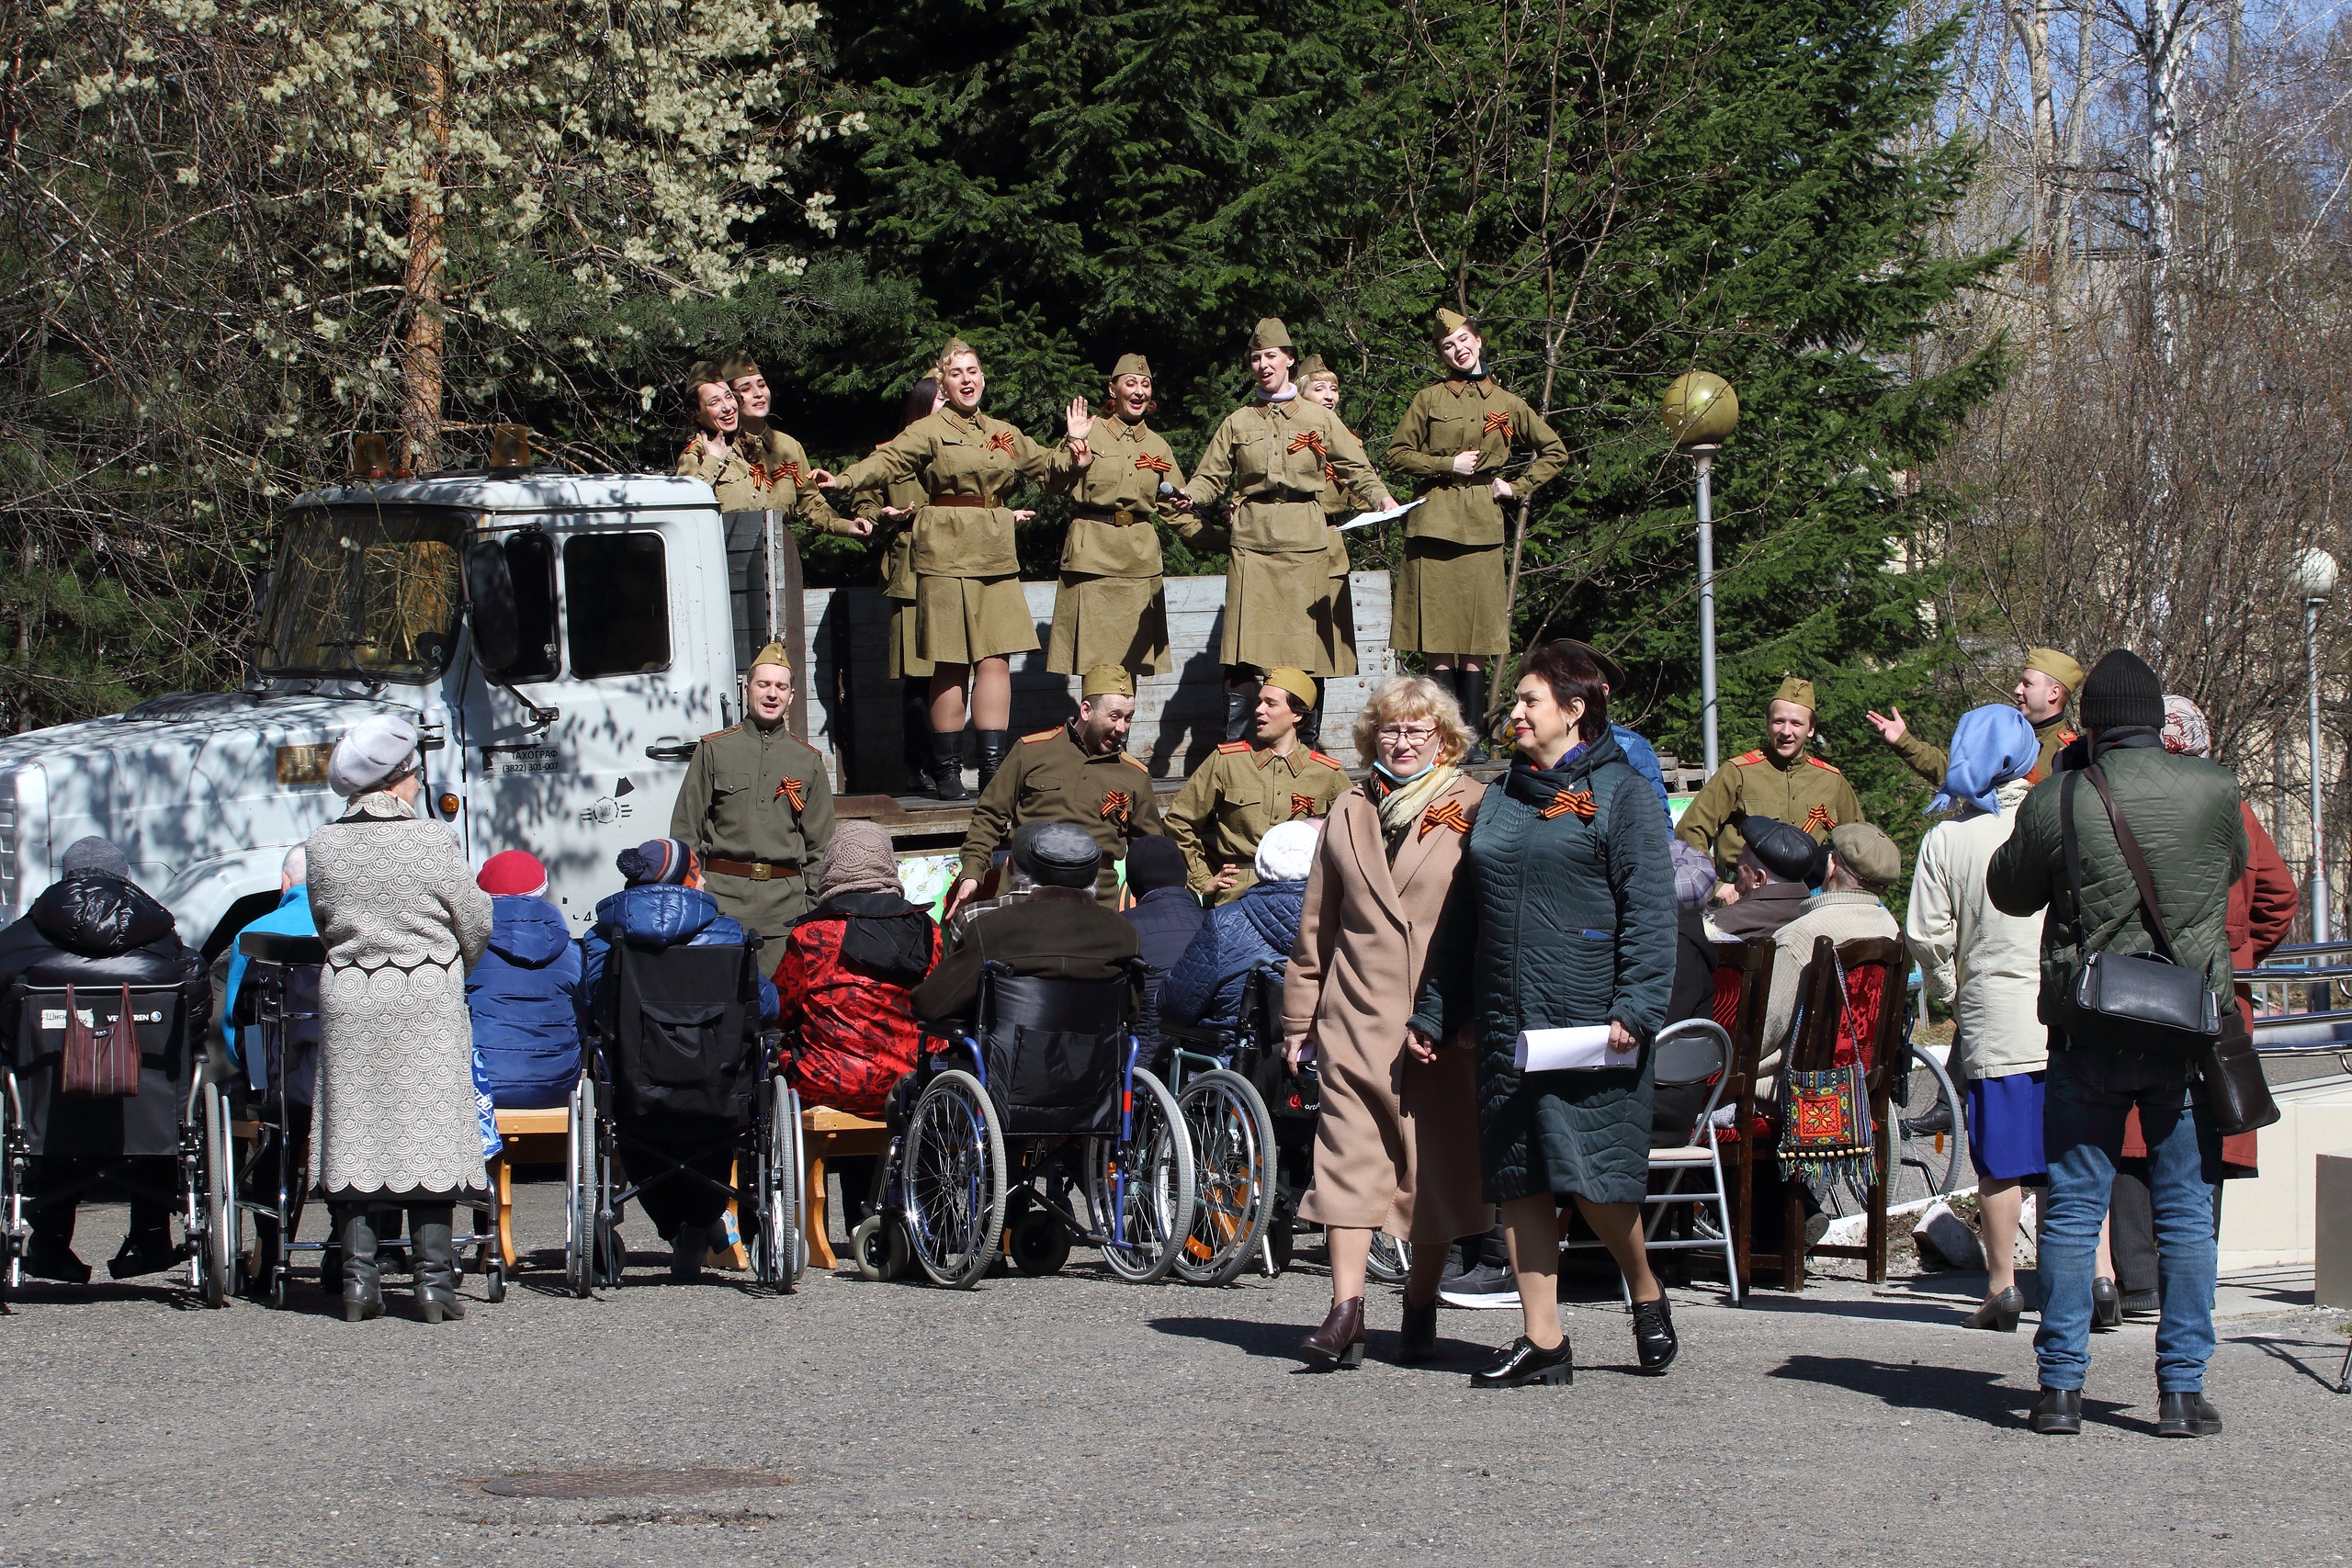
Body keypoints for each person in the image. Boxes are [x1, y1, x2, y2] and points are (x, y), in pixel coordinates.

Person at [1986, 649, 2247, 1439]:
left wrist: (2063, 790)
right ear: (2154, 718)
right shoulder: (2215, 787)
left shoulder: (2063, 792)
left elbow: (2010, 888)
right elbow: (2230, 872)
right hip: (2184, 1032)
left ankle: (2059, 1390)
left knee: (2072, 1207)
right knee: (2185, 1213)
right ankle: (2179, 1393)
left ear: (2089, 721)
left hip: (2087, 1026)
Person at [1411, 642, 1679, 1387]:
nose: (1516, 713)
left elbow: (1650, 911)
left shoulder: (1622, 794)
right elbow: (1462, 919)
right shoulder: (1499, 796)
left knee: (1593, 1180)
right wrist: (1435, 1010)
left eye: (1530, 701)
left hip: (1593, 1019)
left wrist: (1638, 1004)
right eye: (1518, 701)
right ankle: (1544, 1339)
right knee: (1521, 1174)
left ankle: (1644, 1287)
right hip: (1507, 1018)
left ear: (1575, 710)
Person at [1283, 674, 1492, 1364]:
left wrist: (1465, 1013)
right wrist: (1298, 1016)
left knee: (1428, 1168)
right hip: (1353, 1014)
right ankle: (1346, 1311)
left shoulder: (1473, 803)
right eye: (1390, 730)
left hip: (1438, 1025)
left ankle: (1421, 1301)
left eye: (1416, 730)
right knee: (1347, 1159)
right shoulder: (1348, 807)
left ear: (1445, 739)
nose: (1401, 742)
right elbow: (1318, 921)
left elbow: (1487, 920)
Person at [824, 336, 1089, 798]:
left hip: (994, 548)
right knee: (948, 663)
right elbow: (887, 460)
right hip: (943, 548)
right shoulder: (930, 429)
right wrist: (844, 479)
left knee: (995, 660)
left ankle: (991, 772)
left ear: (983, 376)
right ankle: (947, 772)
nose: (968, 380)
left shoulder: (1000, 431)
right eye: (957, 373)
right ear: (943, 384)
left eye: (974, 371)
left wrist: (1075, 448)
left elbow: (1048, 469)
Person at [2104, 696, 2296, 1321]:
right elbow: (2279, 894)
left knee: (2134, 1129)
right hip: (2215, 989)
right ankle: (2192, 1282)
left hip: (2139, 985)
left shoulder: (2128, 799)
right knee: (2206, 1123)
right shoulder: (2229, 804)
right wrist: (2242, 952)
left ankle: (2137, 1281)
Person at [304, 715, 493, 1323]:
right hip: (424, 1000)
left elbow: (323, 921)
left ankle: (359, 1286)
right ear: (400, 778)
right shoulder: (435, 841)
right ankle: (434, 1289)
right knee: (428, 1137)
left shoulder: (323, 845)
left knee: (359, 1135)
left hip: (352, 1000)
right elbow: (476, 920)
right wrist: (442, 966)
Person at [1904, 705, 2059, 1332]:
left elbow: (1926, 935)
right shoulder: (2056, 820)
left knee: (2002, 1163)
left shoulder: (1948, 837)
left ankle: (2002, 1287)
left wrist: (1951, 988)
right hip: (2067, 1011)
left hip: (1995, 1015)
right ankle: (2095, 1277)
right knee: (2072, 1158)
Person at [0, 837, 209, 1284]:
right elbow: (194, 1009)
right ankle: (151, 1236)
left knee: (49, 1075)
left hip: (49, 1106)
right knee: (161, 1073)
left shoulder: (20, 938)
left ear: (65, 876)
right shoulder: (164, 939)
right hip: (144, 1105)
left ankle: (50, 1245)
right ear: (126, 877)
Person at [1178, 318, 1394, 740]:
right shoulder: (1237, 421)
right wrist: (1190, 494)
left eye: (1271, 356)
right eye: (1255, 358)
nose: (1263, 364)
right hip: (1253, 544)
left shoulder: (1319, 418)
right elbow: (1209, 477)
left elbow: (1356, 467)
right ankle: (1238, 748)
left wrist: (1380, 497)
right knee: (1244, 653)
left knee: (1307, 652)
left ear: (1289, 360)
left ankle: (1305, 750)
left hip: (1307, 543)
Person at [580, 838, 781, 1281]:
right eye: (698, 872)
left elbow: (594, 1006)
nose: (705, 879)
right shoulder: (729, 935)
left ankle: (680, 1228)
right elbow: (765, 1007)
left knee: (641, 1130)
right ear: (685, 880)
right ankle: (703, 1221)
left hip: (637, 1094)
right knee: (707, 1124)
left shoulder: (604, 938)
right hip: (718, 1090)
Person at [1382, 309, 1568, 761]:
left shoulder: (1507, 403)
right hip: (1434, 526)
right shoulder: (1428, 399)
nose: (1458, 349)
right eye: (1448, 345)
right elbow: (1396, 454)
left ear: (1479, 342)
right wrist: (1447, 464)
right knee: (1439, 643)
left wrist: (1515, 486)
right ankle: (1442, 739)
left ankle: (1473, 741)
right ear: (1441, 355)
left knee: (1477, 643)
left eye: (1464, 340)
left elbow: (1554, 451)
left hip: (1483, 528)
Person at [774, 821, 937, 1231]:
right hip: (910, 1084)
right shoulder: (928, 932)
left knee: (801, 1059)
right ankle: (884, 1215)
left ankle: (847, 1220)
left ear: (833, 868)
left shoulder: (813, 936)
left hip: (829, 1083)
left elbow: (779, 1011)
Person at [945, 665, 1166, 918]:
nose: (1122, 728)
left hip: (1096, 909)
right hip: (1026, 899)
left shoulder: (1134, 774)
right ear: (1086, 710)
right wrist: (972, 874)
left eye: (1128, 718)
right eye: (1114, 716)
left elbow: (1150, 850)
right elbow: (989, 816)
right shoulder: (1032, 750)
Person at [669, 640, 837, 969]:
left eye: (781, 687)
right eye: (764, 684)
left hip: (784, 912)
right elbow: (686, 830)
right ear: (747, 689)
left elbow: (822, 848)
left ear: (790, 696)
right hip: (720, 905)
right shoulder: (714, 750)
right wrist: (694, 896)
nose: (772, 694)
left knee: (775, 1012)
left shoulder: (808, 761)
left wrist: (812, 909)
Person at [1045, 353, 1208, 679]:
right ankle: (1094, 731)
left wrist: (1228, 541)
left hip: (1138, 563)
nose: (1138, 391)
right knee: (1095, 669)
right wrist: (1074, 446)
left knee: (1127, 670)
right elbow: (1052, 482)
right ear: (1113, 389)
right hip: (1091, 558)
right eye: (1130, 383)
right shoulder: (1088, 431)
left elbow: (1176, 509)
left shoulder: (1159, 447)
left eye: (1145, 384)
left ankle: (1121, 732)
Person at [913, 822, 1143, 1022]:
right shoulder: (1124, 932)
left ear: (1030, 871)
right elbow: (1131, 1012)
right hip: (1096, 1065)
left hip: (1005, 1064)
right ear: (1095, 876)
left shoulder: (990, 928)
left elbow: (930, 1005)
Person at [1161, 666, 1349, 906]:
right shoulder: (1228, 761)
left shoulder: (1327, 773)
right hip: (1237, 898)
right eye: (1259, 702)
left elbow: (1357, 834)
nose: (1258, 710)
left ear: (1297, 714)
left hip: (1304, 897)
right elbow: (1179, 821)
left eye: (1271, 704)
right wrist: (1201, 878)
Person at [844, 377, 944, 792]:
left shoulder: (970, 446)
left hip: (958, 571)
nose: (950, 400)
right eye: (940, 396)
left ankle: (949, 765)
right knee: (920, 678)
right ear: (923, 403)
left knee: (953, 675)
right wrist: (884, 514)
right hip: (912, 577)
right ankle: (920, 767)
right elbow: (862, 505)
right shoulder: (888, 454)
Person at [1674, 676, 1865, 875]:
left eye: (1796, 724)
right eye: (1778, 721)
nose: (1786, 731)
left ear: (1812, 728)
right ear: (1767, 724)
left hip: (1809, 898)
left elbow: (1861, 844)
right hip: (1747, 893)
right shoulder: (1739, 772)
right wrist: (1715, 886)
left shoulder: (1831, 781)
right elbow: (1690, 830)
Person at [1755, 823, 1903, 1066]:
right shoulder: (1889, 928)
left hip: (1796, 1090)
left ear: (1831, 865)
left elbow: (1762, 1034)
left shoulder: (1801, 935)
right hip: (1862, 1083)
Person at [1161, 820, 1318, 1033]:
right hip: (1322, 1059)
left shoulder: (1224, 924)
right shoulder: (1347, 922)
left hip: (1235, 1058)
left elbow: (1173, 1006)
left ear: (1261, 863)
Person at [465, 850, 583, 1111]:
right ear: (541, 891)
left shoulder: (468, 948)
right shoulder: (570, 950)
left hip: (483, 1085)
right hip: (557, 1083)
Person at [1870, 647, 2084, 789]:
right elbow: (1956, 774)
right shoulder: (2001, 734)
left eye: (2028, 684)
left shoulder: (2069, 754)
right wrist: (1905, 742)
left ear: (2053, 693)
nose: (2017, 689)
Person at [716, 352, 874, 543]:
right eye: (746, 389)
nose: (758, 394)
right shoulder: (716, 449)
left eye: (762, 385)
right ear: (730, 398)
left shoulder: (788, 446)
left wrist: (846, 525)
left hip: (777, 551)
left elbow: (809, 501)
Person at [1297, 355, 1377, 684]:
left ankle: (1309, 734)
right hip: (1289, 540)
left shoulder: (1348, 441)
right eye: (1320, 388)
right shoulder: (1287, 437)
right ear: (1301, 393)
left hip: (1329, 545)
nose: (1330, 395)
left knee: (1323, 649)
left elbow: (1359, 500)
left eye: (1334, 388)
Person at [1123, 836, 1204, 1061]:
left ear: (1132, 882)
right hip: (1210, 1056)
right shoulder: (1214, 921)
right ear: (1182, 875)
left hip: (1145, 1059)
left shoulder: (1121, 926)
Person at [1710, 815, 1824, 940]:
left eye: (1742, 857)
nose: (1737, 860)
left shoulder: (1721, 924)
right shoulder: (1819, 915)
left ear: (1759, 878)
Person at [673, 364, 763, 509]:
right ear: (697, 414)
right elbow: (683, 508)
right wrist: (712, 462)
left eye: (729, 397)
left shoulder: (743, 448)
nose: (727, 408)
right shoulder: (695, 456)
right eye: (714, 402)